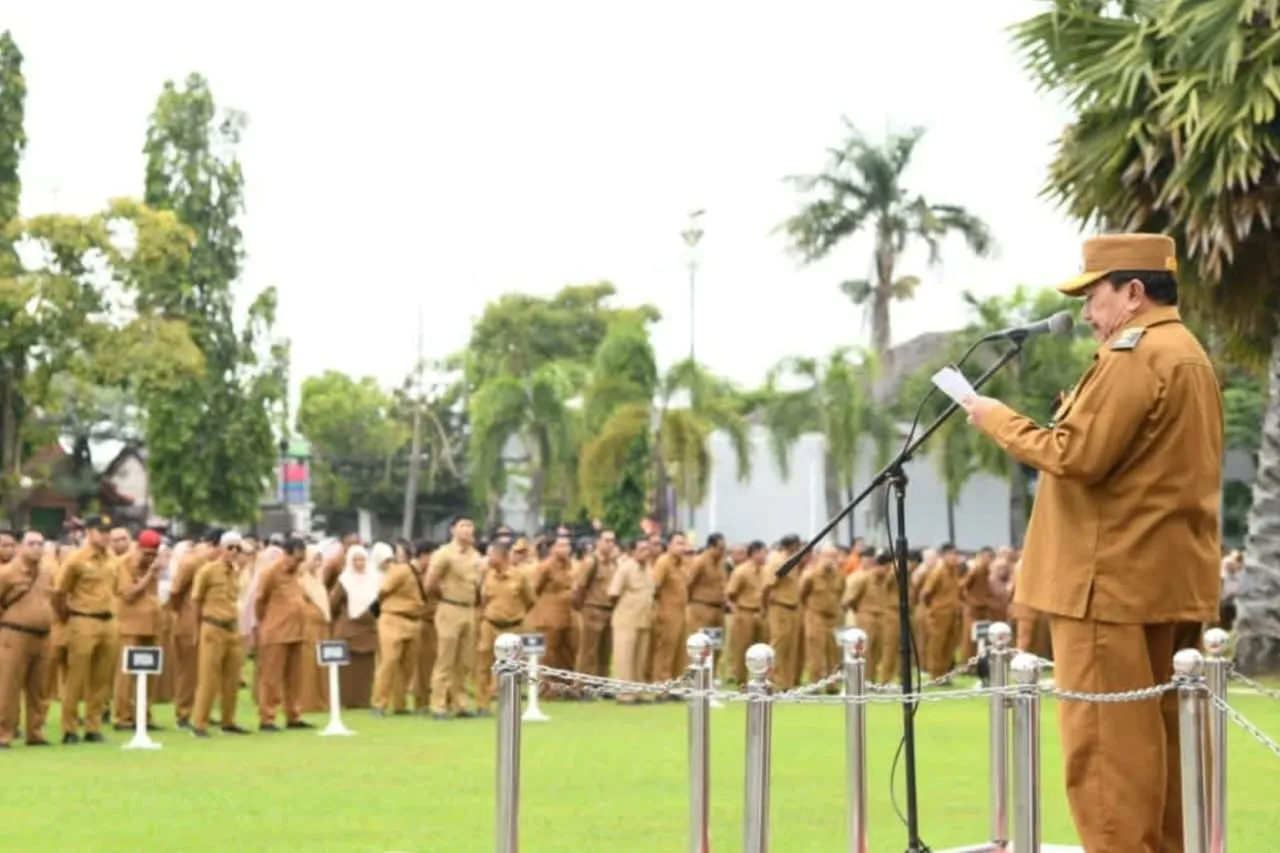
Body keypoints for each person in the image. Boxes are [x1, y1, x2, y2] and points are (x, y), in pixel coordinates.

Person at [962, 233, 1222, 853]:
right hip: (1164, 581)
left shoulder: (1135, 354)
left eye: (1093, 295)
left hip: (1107, 586)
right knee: (1159, 765)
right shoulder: (1188, 354)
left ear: (1132, 293)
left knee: (1109, 766)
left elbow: (1073, 453)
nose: (1086, 313)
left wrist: (993, 416)